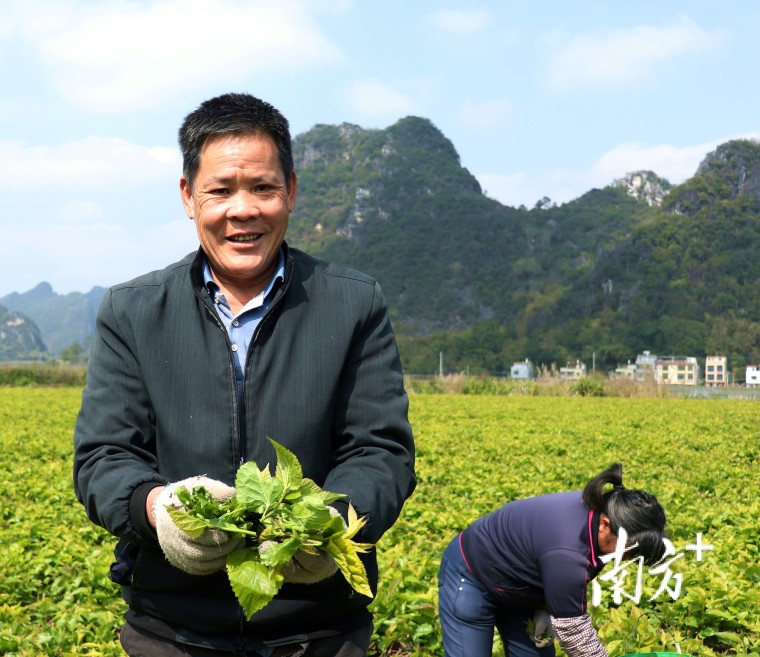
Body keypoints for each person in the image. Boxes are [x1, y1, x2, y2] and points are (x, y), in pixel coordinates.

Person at [73, 92, 417, 657]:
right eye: (220, 190)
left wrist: (328, 524)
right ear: (189, 197)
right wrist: (156, 508)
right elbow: (105, 454)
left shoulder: (352, 304)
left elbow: (380, 451)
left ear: (292, 192)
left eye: (262, 188)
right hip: (171, 629)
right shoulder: (134, 311)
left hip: (318, 629)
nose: (243, 209)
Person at [437, 463, 667, 657]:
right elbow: (574, 632)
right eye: (627, 549)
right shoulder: (568, 550)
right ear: (606, 525)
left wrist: (546, 607)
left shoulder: (608, 515)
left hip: (520, 585)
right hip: (471, 575)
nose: (625, 558)